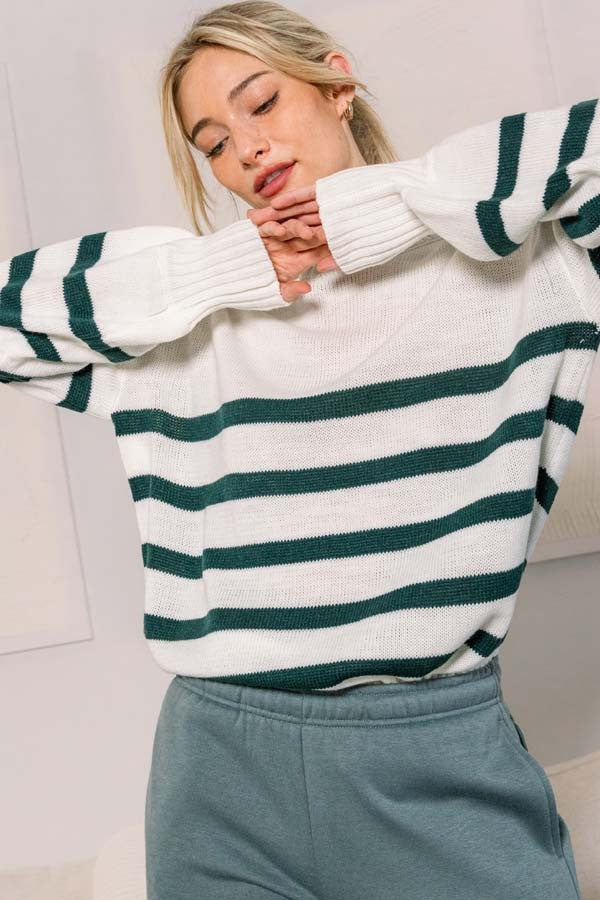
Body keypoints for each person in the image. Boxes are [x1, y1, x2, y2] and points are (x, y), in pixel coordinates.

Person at [2, 1, 598, 897]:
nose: (245, 148)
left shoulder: (527, 271)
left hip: (434, 756)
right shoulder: (186, 319)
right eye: (212, 142)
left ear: (336, 84)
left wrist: (382, 210)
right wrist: (219, 270)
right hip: (219, 772)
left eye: (262, 102)